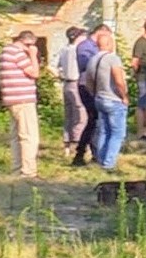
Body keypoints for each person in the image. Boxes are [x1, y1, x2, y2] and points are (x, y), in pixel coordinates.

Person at [0, 30, 41, 178]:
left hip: (11, 99)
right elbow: (35, 73)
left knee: (16, 136)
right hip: (23, 99)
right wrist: (33, 55)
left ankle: (16, 169)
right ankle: (29, 171)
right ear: (27, 43)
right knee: (29, 137)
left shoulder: (6, 51)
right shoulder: (18, 53)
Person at [87, 26, 129, 170]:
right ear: (109, 44)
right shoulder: (112, 58)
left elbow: (88, 81)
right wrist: (124, 96)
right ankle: (109, 163)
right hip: (114, 99)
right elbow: (118, 80)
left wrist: (95, 93)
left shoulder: (93, 60)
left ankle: (101, 158)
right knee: (117, 133)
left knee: (104, 130)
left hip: (99, 98)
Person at [71, 23, 107, 166]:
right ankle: (83, 153)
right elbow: (87, 66)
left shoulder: (94, 47)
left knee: (94, 120)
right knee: (93, 120)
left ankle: (89, 153)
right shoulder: (85, 47)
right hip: (87, 86)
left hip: (94, 86)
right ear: (100, 33)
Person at [54, 26, 88, 156]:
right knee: (80, 115)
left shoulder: (64, 49)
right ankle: (77, 145)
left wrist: (60, 75)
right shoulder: (77, 50)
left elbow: (54, 66)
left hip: (66, 84)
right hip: (76, 82)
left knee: (68, 115)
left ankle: (67, 146)